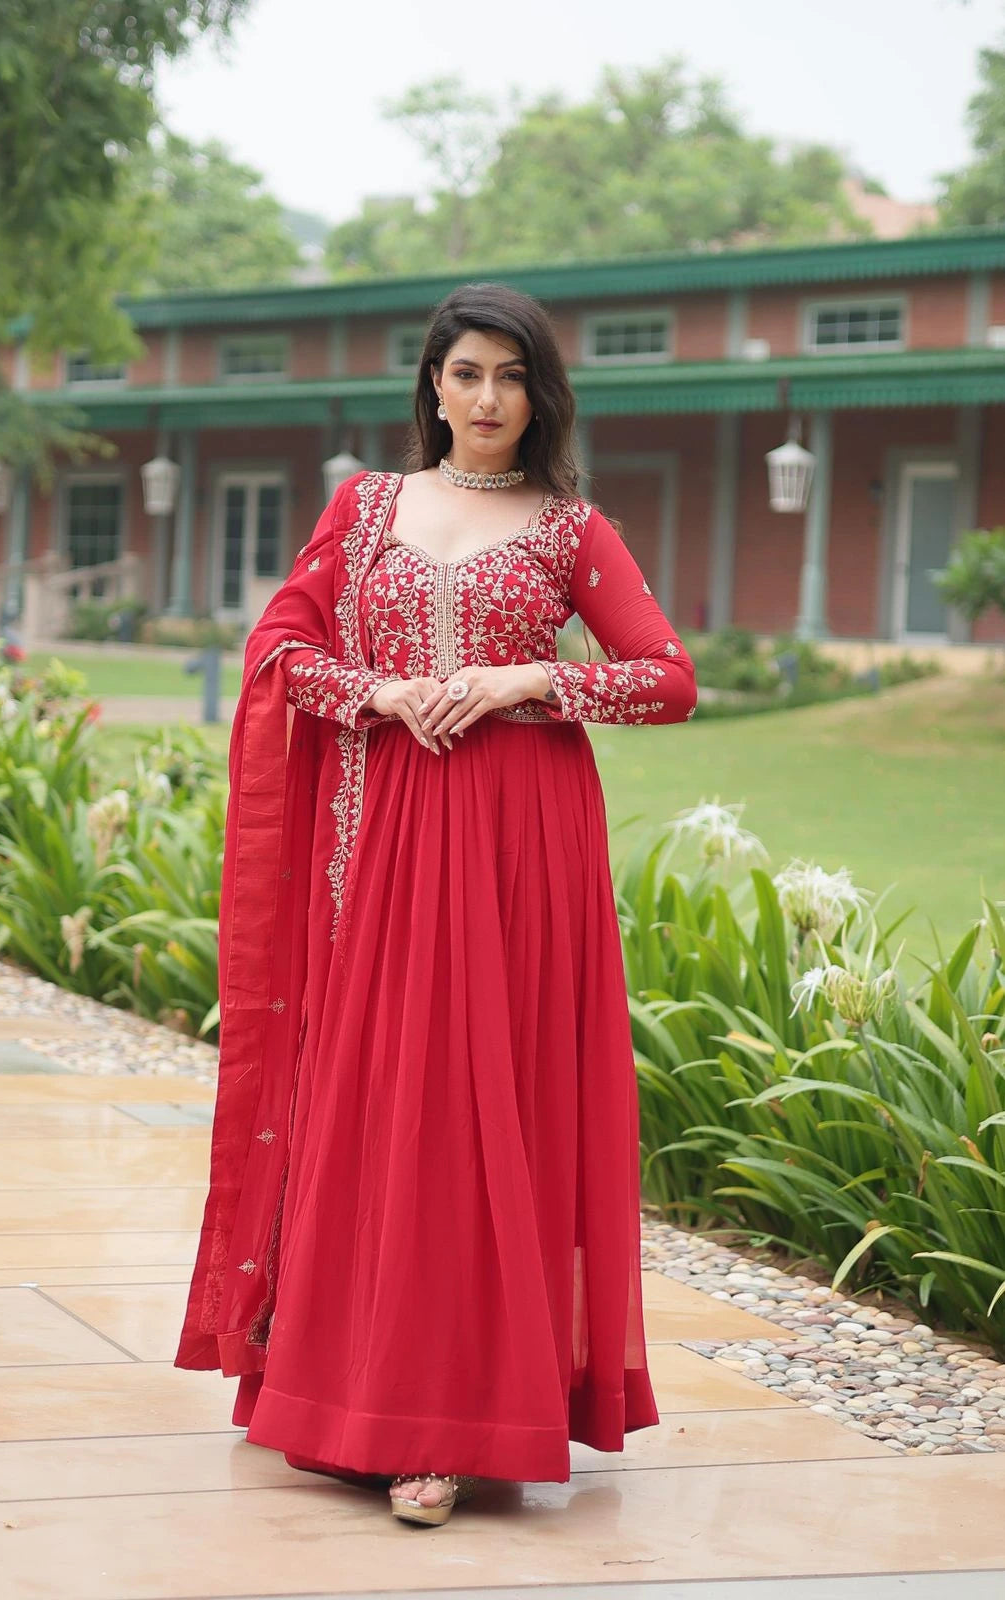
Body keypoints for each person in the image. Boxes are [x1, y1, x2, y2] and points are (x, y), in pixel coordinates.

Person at [175, 281, 698, 1528]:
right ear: (432, 385)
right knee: (377, 1108)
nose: (485, 399)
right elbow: (280, 652)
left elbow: (669, 681)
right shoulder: (361, 511)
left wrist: (532, 674)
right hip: (386, 842)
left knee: (482, 1115)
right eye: (465, 374)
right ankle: (339, 1390)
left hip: (520, 853)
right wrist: (381, 694)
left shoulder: (572, 530)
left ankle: (449, 1428)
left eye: (510, 377)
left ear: (539, 394)